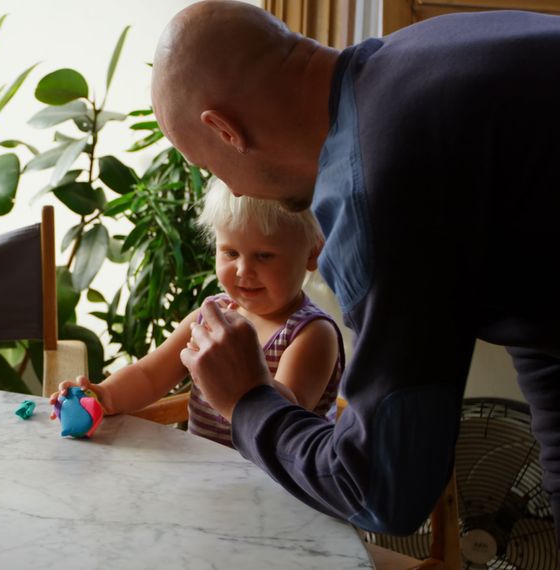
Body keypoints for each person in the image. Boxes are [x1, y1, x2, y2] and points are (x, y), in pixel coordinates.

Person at [151, 0, 560, 535]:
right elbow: (542, 327)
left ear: (227, 131)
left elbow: (381, 491)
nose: (233, 190)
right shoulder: (419, 54)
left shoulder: (378, 183)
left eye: (210, 167)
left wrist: (248, 400)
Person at [51, 179, 344, 448]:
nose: (243, 270)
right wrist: (103, 396)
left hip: (279, 489)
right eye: (230, 253)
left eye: (263, 255)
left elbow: (286, 422)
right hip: (206, 480)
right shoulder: (208, 317)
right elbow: (149, 376)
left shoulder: (311, 334)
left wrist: (240, 372)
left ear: (312, 253)